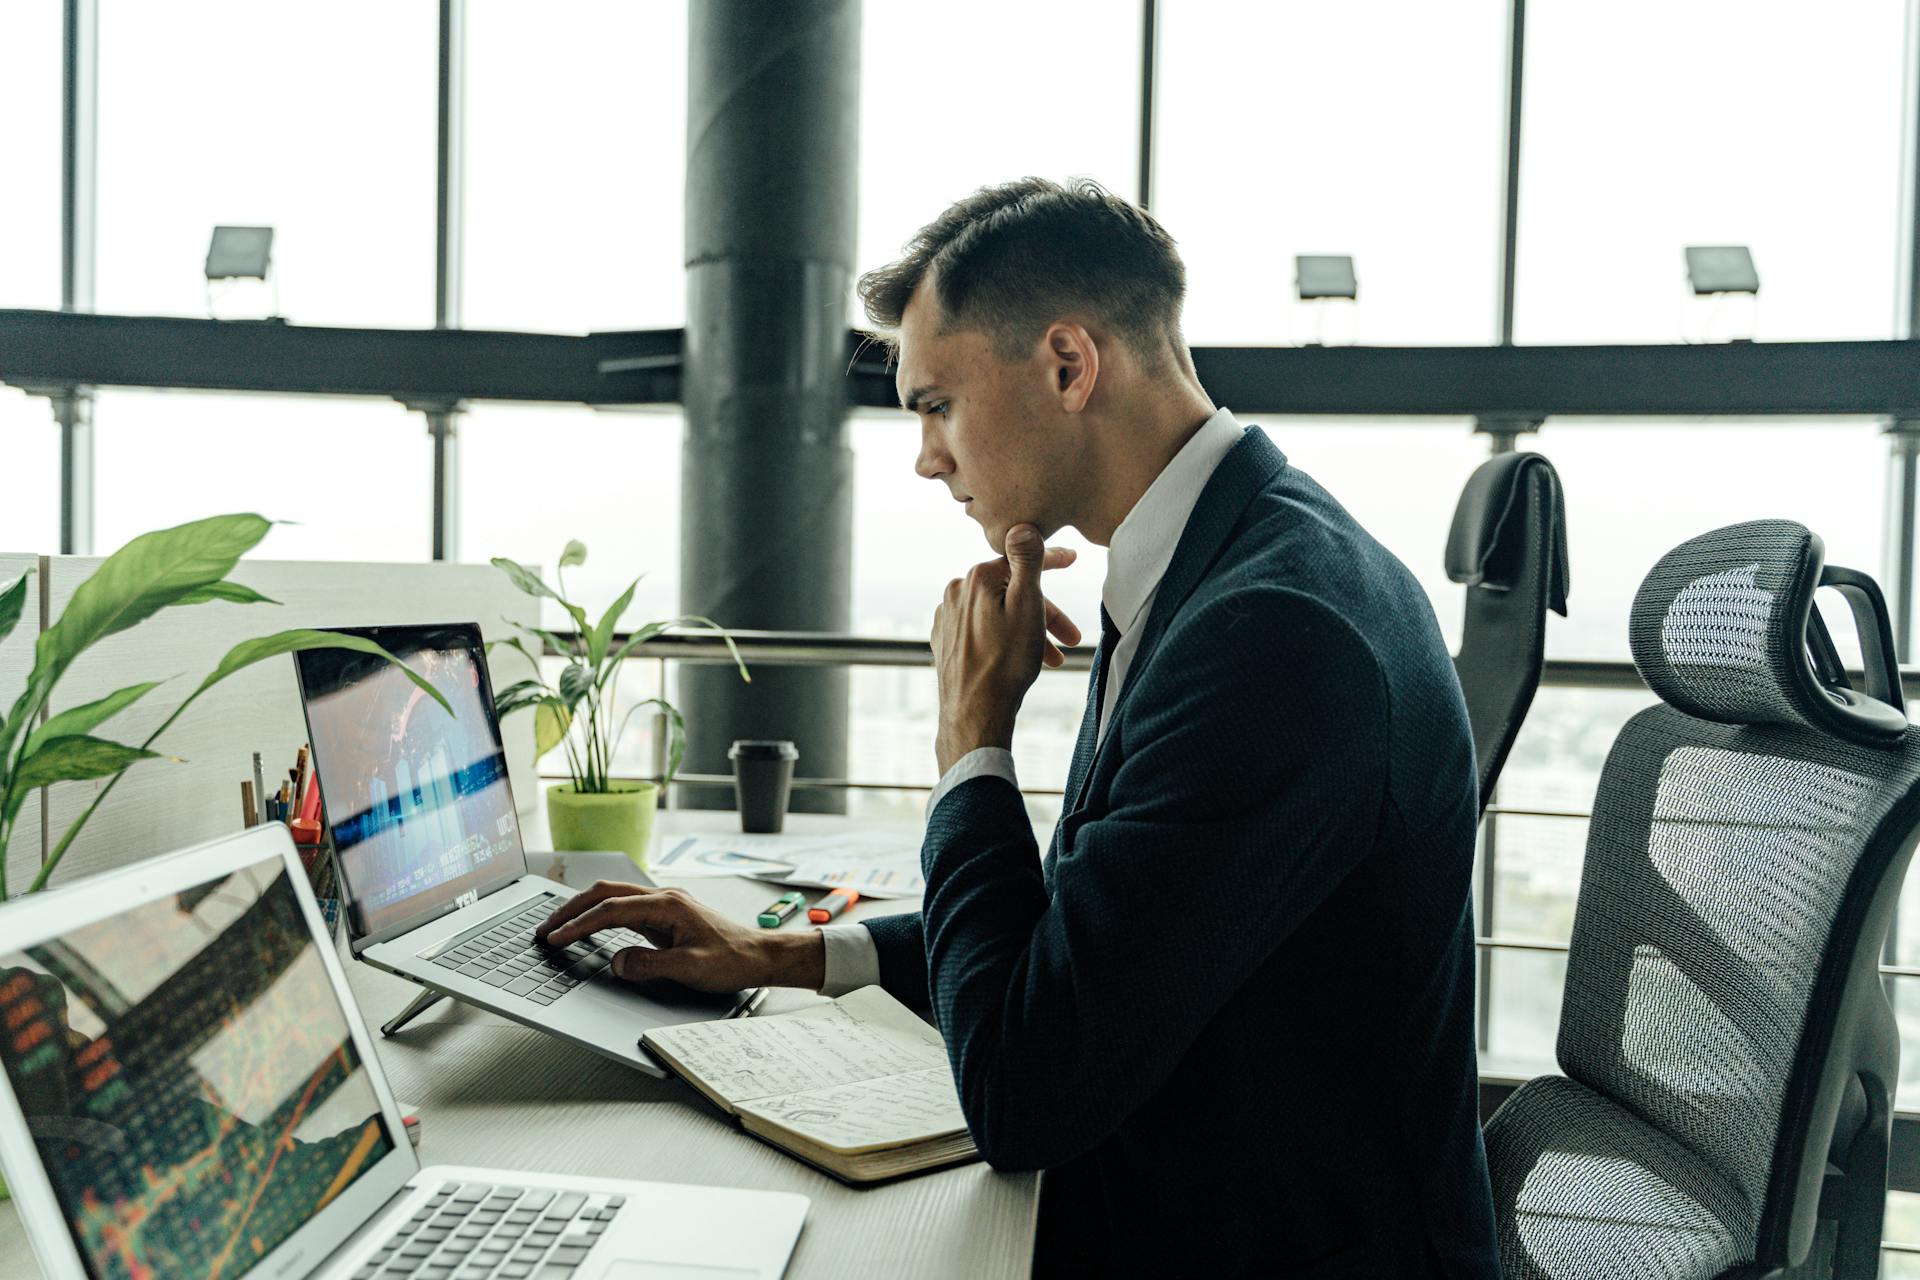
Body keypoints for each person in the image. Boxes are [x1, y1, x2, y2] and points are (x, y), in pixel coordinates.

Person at [539, 178, 1500, 1277]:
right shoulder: (1220, 562)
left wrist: (971, 743)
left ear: (1067, 365)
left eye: (936, 402)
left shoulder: (1270, 639)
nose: (927, 456)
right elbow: (1090, 941)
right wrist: (784, 953)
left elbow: (1023, 1090)